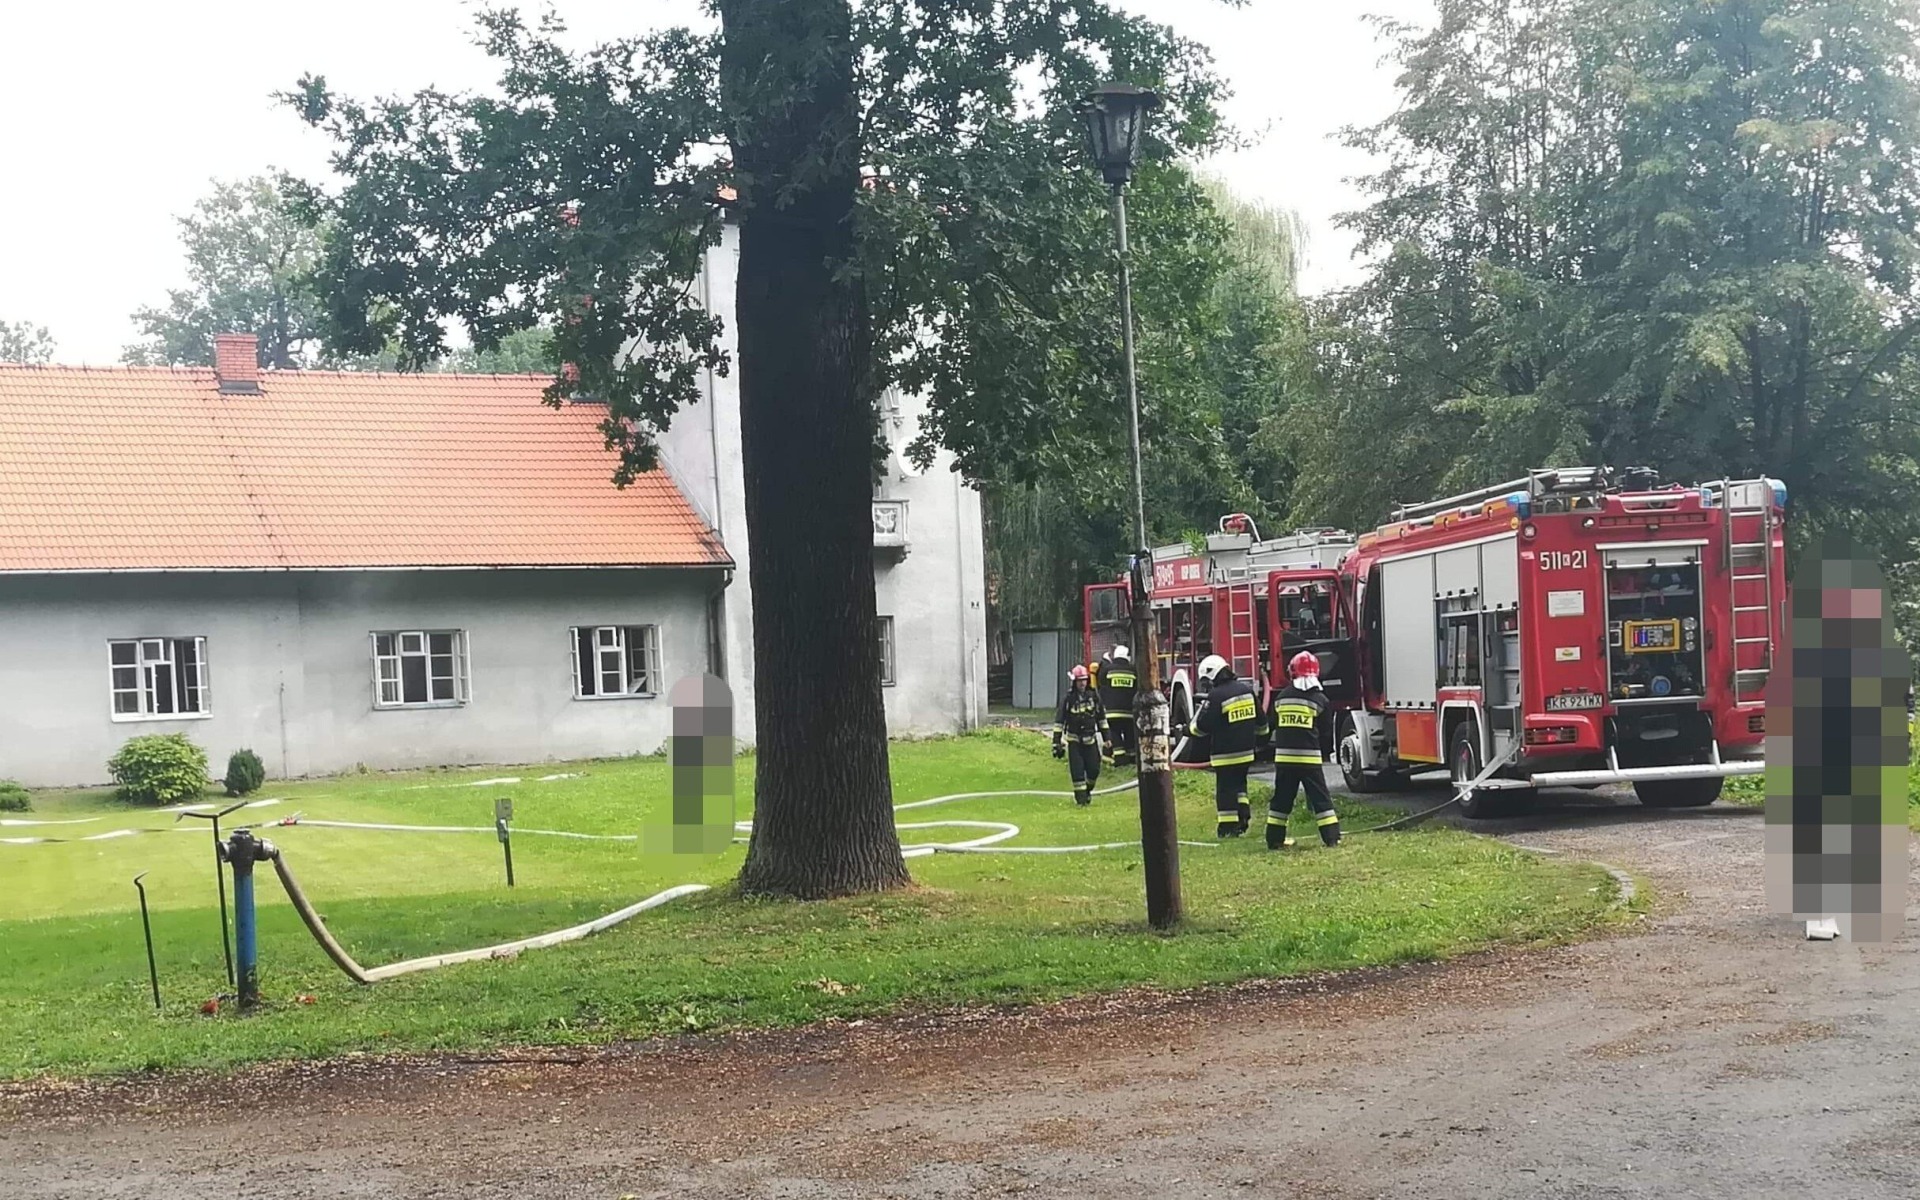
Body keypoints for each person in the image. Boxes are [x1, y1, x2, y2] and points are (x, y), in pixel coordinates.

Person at [1266, 651, 1341, 849]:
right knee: (1320, 800)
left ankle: (1274, 839)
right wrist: (1324, 753)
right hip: (1310, 761)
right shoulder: (1320, 700)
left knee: (1281, 801)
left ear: (1292, 672)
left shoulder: (1281, 698)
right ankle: (1332, 838)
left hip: (1284, 760)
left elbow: (1271, 725)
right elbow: (1326, 733)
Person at [1189, 654, 1266, 837]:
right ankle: (1243, 818)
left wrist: (1187, 730)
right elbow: (1262, 723)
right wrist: (1259, 739)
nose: (1207, 686)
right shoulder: (1247, 690)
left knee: (1225, 791)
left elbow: (1202, 727)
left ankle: (1227, 828)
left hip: (1225, 754)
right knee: (1240, 786)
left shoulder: (1216, 696)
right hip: (1247, 752)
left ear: (1212, 674)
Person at [1052, 665, 1108, 806]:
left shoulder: (1094, 697)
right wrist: (1056, 742)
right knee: (1077, 774)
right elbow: (1059, 721)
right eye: (1079, 681)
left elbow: (1101, 719)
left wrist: (1107, 738)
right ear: (1074, 682)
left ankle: (1087, 791)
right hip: (1075, 742)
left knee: (1094, 771)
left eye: (1084, 680)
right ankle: (1081, 801)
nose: (1082, 683)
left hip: (1091, 741)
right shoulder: (1068, 699)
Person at [1099, 645, 1139, 766]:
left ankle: (1120, 758)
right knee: (1129, 733)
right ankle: (1132, 757)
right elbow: (1138, 688)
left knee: (1114, 733)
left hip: (1112, 711)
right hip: (1129, 711)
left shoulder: (1107, 669)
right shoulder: (1133, 670)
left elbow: (1102, 686)